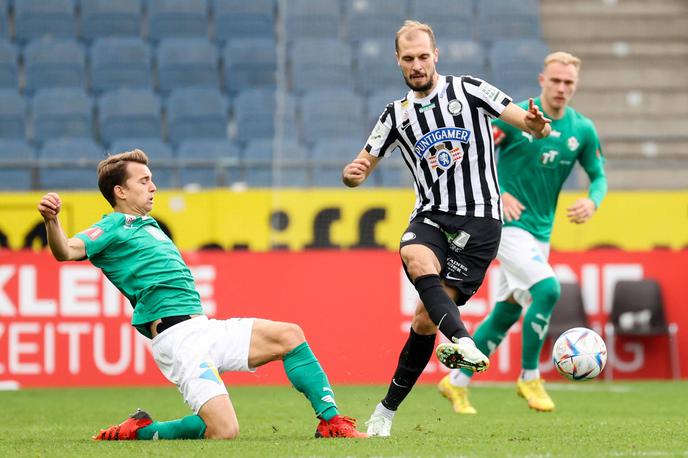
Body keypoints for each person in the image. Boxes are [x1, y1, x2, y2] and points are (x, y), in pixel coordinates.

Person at [37, 149, 367, 440]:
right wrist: (53, 221)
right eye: (144, 181)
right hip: (177, 338)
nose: (153, 187)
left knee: (289, 335)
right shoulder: (110, 227)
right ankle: (140, 431)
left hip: (202, 328)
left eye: (152, 180)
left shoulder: (149, 225)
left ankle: (331, 422)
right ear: (120, 191)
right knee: (224, 431)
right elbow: (66, 251)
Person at [342, 20, 552, 437]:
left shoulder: (470, 90)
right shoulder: (395, 115)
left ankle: (386, 411)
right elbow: (361, 164)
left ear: (435, 55)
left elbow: (529, 124)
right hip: (432, 216)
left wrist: (536, 123)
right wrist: (354, 172)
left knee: (423, 321)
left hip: (480, 222)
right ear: (397, 61)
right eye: (408, 58)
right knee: (413, 254)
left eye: (423, 56)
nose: (417, 65)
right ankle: (463, 339)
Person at [438, 51, 607, 414]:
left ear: (575, 86)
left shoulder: (582, 130)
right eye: (556, 80)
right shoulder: (517, 118)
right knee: (547, 290)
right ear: (541, 80)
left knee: (507, 312)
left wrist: (593, 201)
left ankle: (455, 383)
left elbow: (598, 176)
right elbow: (471, 155)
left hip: (540, 233)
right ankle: (530, 376)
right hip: (507, 226)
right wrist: (498, 191)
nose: (562, 88)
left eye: (569, 83)